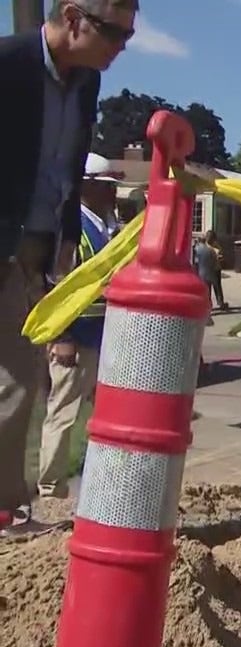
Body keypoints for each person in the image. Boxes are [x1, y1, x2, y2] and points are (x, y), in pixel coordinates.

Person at [0, 0, 136, 533]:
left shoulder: (85, 84)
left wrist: (64, 236)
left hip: (36, 251)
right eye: (116, 34)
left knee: (23, 380)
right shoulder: (9, 63)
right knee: (15, 381)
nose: (122, 47)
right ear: (74, 18)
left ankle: (8, 506)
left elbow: (70, 164)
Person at [36, 152, 120, 500]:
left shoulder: (106, 227)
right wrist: (62, 335)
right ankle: (51, 487)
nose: (113, 193)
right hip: (77, 341)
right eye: (106, 186)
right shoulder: (73, 230)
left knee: (107, 419)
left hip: (105, 341)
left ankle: (98, 480)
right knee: (64, 415)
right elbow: (54, 287)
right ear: (86, 186)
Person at [197, 230, 228, 311]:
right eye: (208, 237)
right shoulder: (205, 246)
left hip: (216, 269)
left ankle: (220, 302)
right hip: (208, 269)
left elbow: (221, 255)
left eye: (211, 238)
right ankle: (208, 304)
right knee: (207, 288)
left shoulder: (216, 246)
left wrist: (221, 258)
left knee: (217, 286)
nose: (209, 239)